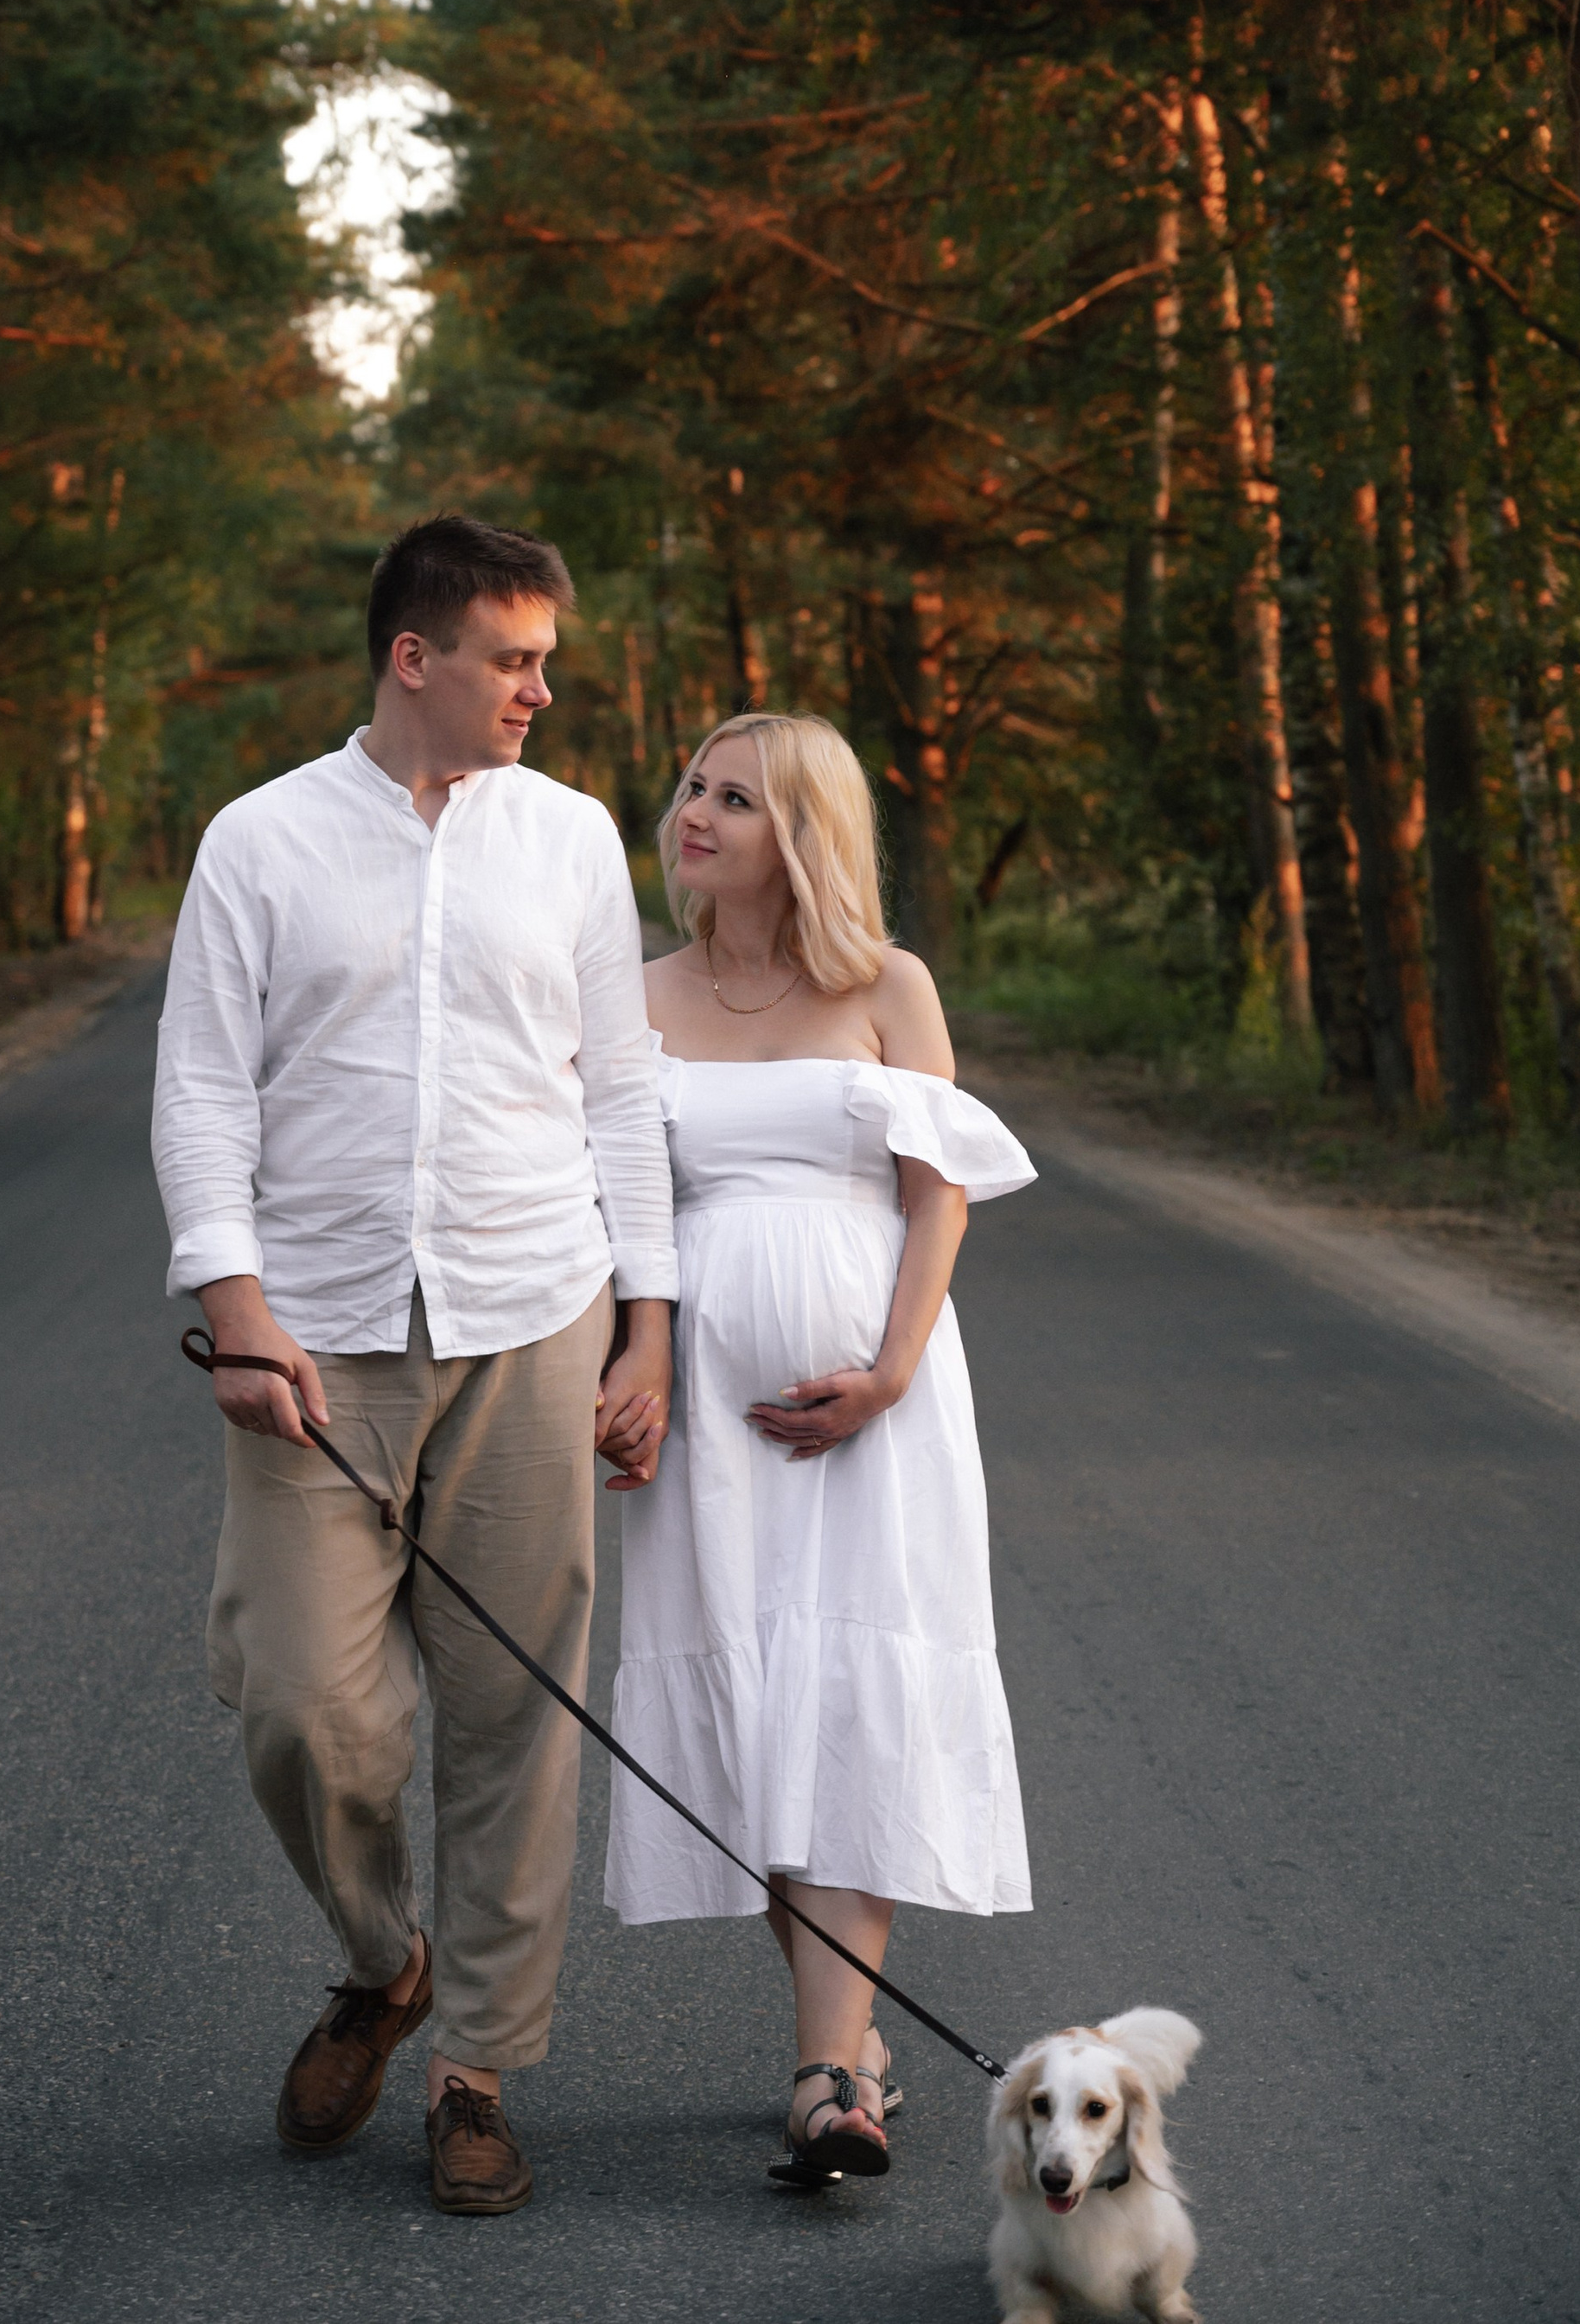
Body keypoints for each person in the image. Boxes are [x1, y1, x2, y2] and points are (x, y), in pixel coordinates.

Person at [152, 514, 677, 2218]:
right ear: (413, 657)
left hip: (534, 1313)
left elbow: (619, 1092)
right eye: (512, 659)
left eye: (544, 661)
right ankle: (386, 1961)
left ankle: (476, 2067)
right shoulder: (260, 839)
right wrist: (234, 1303)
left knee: (514, 1714)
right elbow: (202, 1085)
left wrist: (648, 1324)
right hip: (312, 1339)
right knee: (305, 1707)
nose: (538, 690)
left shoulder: (571, 837)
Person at [606, 712, 1035, 2186]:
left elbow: (938, 1193)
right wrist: (629, 1367)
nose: (696, 813)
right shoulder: (636, 997)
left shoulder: (886, 985)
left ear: (804, 833)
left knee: (850, 1697)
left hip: (873, 1406)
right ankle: (844, 2054)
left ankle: (826, 2072)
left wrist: (890, 1374)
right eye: (693, 787)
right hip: (707, 1411)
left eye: (737, 798)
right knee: (755, 1702)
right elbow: (619, 1205)